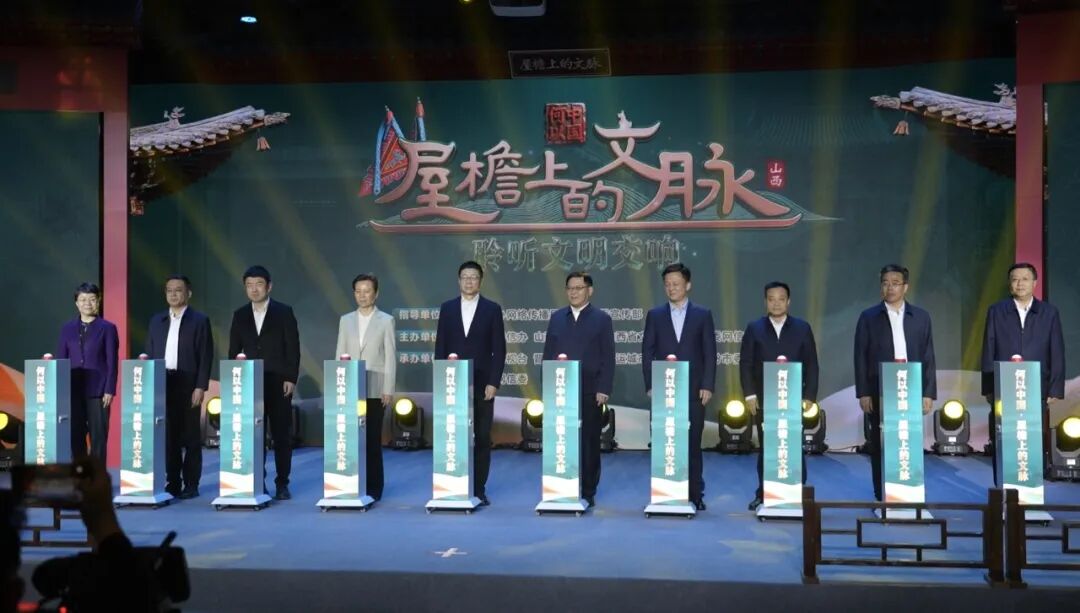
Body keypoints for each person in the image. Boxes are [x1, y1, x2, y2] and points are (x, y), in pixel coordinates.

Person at [854, 264, 936, 501]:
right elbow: (860, 357)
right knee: (880, 443)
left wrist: (928, 392)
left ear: (905, 287)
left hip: (910, 388)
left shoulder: (921, 317)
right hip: (880, 389)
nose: (890, 288)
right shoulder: (869, 317)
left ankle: (910, 492)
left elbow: (928, 356)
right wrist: (863, 392)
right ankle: (882, 495)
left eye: (895, 283)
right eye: (885, 283)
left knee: (909, 440)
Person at [980, 262, 1065, 484]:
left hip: (1037, 385)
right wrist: (989, 387)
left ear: (1034, 283)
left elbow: (1056, 350)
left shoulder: (1049, 313)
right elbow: (989, 348)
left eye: (1025, 279)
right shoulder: (997, 311)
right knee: (1003, 437)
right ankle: (1004, 488)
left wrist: (1055, 387)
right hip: (1004, 386)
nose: (1020, 284)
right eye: (1015, 279)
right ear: (1009, 284)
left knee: (1033, 437)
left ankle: (1031, 487)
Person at [641, 263, 716, 511]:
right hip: (664, 391)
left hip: (694, 390)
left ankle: (694, 494)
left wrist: (707, 384)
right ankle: (665, 493)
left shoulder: (702, 314)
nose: (671, 288)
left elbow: (709, 352)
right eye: (667, 284)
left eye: (676, 283)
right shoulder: (655, 315)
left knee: (692, 443)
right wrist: (651, 384)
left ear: (688, 285)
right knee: (663, 441)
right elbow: (647, 352)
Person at [739, 281, 819, 511]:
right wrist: (749, 395)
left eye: (781, 299)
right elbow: (746, 364)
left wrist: (809, 395)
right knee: (767, 447)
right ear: (765, 302)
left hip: (793, 400)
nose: (776, 303)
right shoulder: (754, 328)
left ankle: (797, 492)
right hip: (765, 400)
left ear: (788, 302)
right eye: (771, 299)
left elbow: (812, 364)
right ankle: (764, 494)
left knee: (793, 445)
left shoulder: (802, 328)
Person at [434, 261, 506, 506]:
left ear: (480, 281)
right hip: (452, 384)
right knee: (452, 434)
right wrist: (441, 381)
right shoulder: (447, 308)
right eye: (465, 276)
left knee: (482, 436)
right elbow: (440, 347)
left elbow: (499, 350)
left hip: (482, 383)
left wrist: (494, 382)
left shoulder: (492, 309)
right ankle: (453, 485)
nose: (469, 281)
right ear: (458, 280)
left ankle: (478, 489)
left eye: (473, 277)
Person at [543, 271, 615, 509]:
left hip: (590, 391)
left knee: (589, 442)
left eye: (578, 288)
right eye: (570, 288)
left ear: (589, 291)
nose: (573, 292)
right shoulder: (557, 318)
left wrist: (603, 388)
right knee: (561, 440)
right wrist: (548, 387)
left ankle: (588, 490)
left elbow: (608, 357)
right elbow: (548, 354)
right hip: (560, 391)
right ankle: (562, 486)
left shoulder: (601, 319)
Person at [228, 266, 301, 500]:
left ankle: (282, 483)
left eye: (258, 284)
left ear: (269, 286)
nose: (254, 289)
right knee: (253, 434)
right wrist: (236, 380)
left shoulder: (283, 312)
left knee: (281, 435)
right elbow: (233, 351)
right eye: (249, 285)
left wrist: (290, 377)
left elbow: (293, 348)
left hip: (278, 382)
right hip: (250, 383)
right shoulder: (240, 315)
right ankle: (257, 480)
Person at [144, 275, 214, 499]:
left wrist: (200, 386)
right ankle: (173, 481)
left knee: (191, 435)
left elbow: (205, 356)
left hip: (188, 383)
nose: (173, 294)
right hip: (163, 382)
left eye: (178, 290)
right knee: (169, 436)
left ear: (188, 293)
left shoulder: (199, 320)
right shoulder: (157, 321)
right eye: (169, 290)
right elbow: (149, 352)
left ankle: (191, 484)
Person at [335, 273, 397, 501]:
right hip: (350, 386)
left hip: (375, 387)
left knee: (371, 438)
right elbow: (340, 353)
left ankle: (374, 487)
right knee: (349, 438)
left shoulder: (386, 320)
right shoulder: (345, 320)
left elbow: (390, 357)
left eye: (367, 291)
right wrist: (339, 384)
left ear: (376, 293)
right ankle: (352, 483)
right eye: (358, 291)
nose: (362, 295)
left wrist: (388, 389)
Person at [57, 282, 119, 461]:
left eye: (92, 299)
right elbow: (61, 359)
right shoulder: (67, 328)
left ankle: (97, 474)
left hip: (98, 391)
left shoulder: (107, 328)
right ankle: (80, 473)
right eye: (83, 299)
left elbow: (112, 362)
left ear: (98, 301)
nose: (87, 303)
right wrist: (61, 391)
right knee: (75, 435)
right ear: (76, 303)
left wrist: (109, 389)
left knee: (98, 438)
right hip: (73, 390)